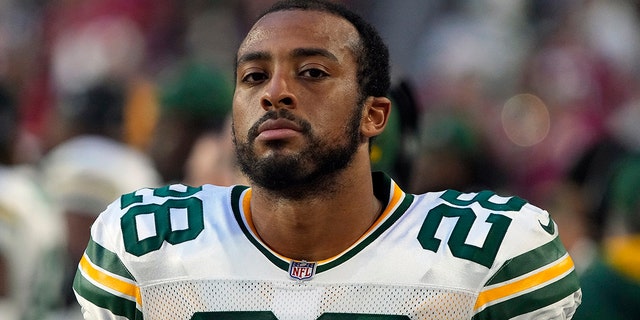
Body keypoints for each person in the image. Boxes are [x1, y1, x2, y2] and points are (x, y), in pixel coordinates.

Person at [72, 1, 581, 319]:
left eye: (312, 72)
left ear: (374, 115)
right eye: (253, 77)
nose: (275, 93)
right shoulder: (145, 245)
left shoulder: (492, 256)